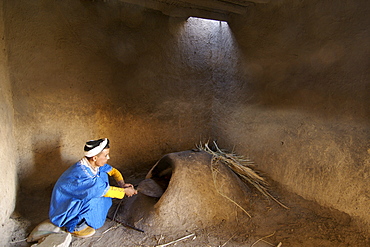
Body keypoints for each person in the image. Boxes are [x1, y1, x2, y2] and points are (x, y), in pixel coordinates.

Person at [49, 138, 137, 238]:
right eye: (105, 155)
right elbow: (106, 191)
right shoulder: (85, 176)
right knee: (95, 201)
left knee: (103, 175)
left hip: (81, 194)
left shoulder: (92, 164)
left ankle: (96, 212)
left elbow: (113, 171)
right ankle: (74, 226)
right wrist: (125, 191)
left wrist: (122, 184)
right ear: (95, 158)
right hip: (66, 206)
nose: (108, 157)